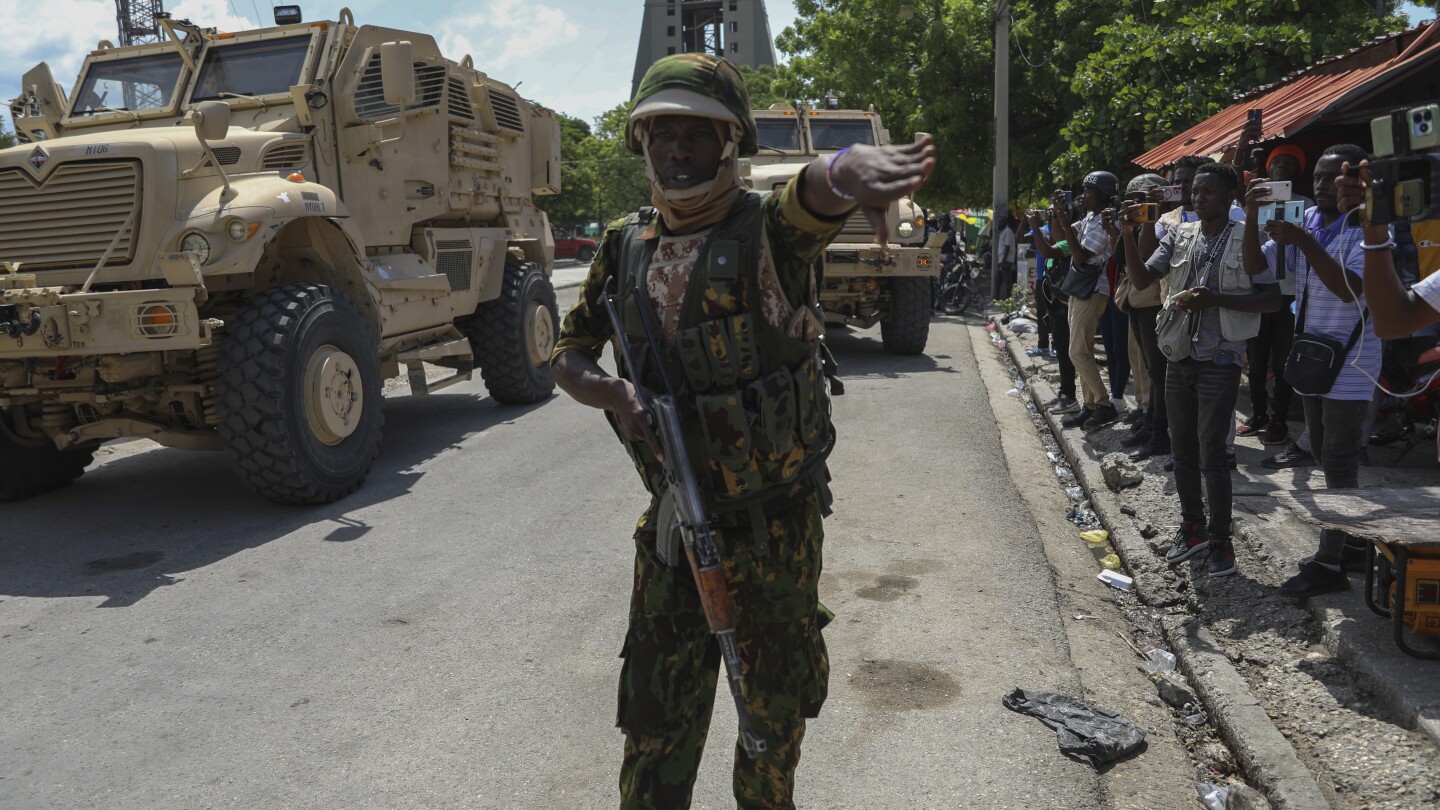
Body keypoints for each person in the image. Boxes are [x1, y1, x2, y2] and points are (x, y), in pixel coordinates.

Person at [549, 53, 936, 810]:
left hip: (771, 537)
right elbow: (566, 352)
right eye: (662, 134)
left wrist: (852, 167)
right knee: (654, 729)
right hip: (672, 533)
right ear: (642, 144)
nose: (677, 150)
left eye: (697, 134)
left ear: (729, 144)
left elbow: (816, 194)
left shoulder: (766, 235)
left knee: (770, 733)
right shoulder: (623, 247)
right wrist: (613, 393)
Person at [1120, 162, 1280, 578]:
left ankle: (1221, 540)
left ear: (1230, 198)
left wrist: (1216, 299)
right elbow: (1140, 281)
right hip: (1178, 356)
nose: (1198, 197)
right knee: (1182, 451)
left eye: (1208, 192)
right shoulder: (1180, 235)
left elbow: (1269, 300)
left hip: (1220, 359)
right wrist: (1126, 233)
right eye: (1196, 192)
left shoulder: (1250, 236)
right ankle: (1191, 527)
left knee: (1213, 453)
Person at [1245, 145, 1382, 598]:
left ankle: (1329, 564)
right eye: (1318, 178)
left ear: (1359, 182)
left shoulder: (1369, 227)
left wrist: (1301, 242)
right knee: (1322, 450)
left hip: (1353, 359)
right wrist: (1250, 217)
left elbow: (1351, 290)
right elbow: (1255, 266)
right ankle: (1353, 544)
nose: (1322, 185)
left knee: (1339, 459)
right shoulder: (1309, 222)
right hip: (1313, 355)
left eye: (1332, 178)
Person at [1046, 171, 1121, 430]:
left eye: (1089, 191)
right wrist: (1058, 214)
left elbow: (1080, 257)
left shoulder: (1104, 221)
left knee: (1076, 351)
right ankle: (1089, 406)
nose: (1084, 195)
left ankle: (1104, 404)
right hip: (1079, 290)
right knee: (1083, 351)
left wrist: (1067, 225)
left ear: (1103, 195)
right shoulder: (1090, 218)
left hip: (1093, 291)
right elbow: (1059, 239)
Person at [1117, 173, 1169, 459]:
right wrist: (1125, 228)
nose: (1140, 207)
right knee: (1149, 370)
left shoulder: (1165, 224)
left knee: (1158, 373)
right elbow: (1120, 259)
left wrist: (1146, 223)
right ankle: (1149, 422)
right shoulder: (1138, 224)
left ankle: (1159, 432)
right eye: (1136, 201)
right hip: (1135, 301)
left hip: (1153, 302)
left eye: (1145, 202)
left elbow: (1148, 258)